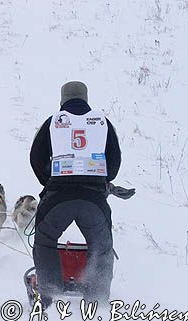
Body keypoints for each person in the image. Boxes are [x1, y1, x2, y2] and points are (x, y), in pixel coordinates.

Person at [29, 81, 121, 308]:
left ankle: (48, 294)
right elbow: (115, 161)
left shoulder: (53, 123)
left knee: (45, 240)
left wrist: (49, 182)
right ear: (86, 99)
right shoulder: (102, 123)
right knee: (101, 245)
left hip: (58, 197)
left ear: (62, 101)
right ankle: (96, 298)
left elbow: (35, 157)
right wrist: (102, 182)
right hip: (94, 200)